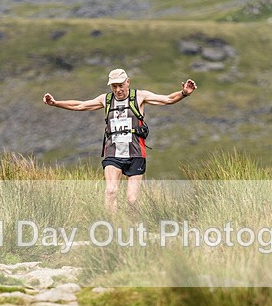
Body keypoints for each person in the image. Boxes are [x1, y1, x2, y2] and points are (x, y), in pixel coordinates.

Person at [43, 68, 197, 212]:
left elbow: (168, 99)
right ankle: (112, 227)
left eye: (121, 85)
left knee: (132, 200)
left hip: (136, 153)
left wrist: (184, 93)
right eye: (114, 86)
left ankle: (133, 228)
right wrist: (55, 103)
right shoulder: (106, 99)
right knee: (110, 191)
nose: (118, 90)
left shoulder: (139, 96)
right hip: (112, 153)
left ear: (127, 82)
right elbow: (80, 105)